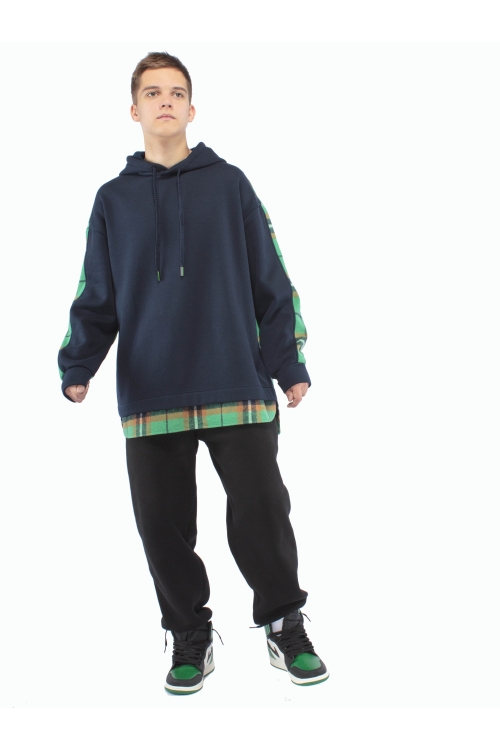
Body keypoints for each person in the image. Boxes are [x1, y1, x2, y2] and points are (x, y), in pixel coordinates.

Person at [58, 51, 328, 695]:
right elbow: (97, 291)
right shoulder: (112, 200)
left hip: (235, 376)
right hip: (151, 387)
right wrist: (79, 362)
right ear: (134, 110)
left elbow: (272, 279)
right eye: (153, 93)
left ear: (192, 107)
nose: (165, 101)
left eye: (176, 92)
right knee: (162, 524)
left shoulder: (229, 183)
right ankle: (188, 634)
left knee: (263, 510)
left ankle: (285, 624)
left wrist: (287, 361)